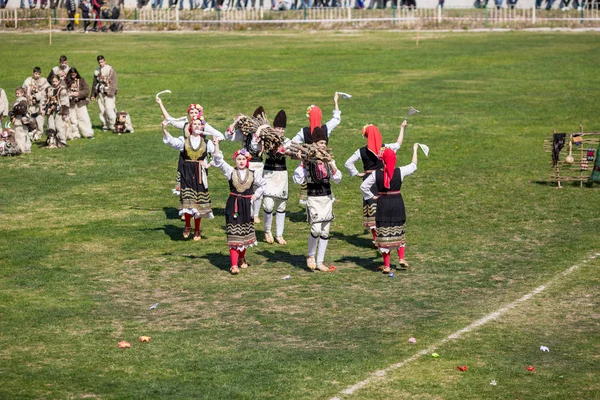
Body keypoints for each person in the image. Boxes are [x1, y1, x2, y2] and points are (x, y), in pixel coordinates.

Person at [360, 144, 419, 274]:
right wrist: (414, 150)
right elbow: (414, 165)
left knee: (383, 232)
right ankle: (402, 258)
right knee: (398, 229)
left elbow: (363, 187)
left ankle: (387, 266)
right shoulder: (400, 171)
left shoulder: (376, 174)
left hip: (383, 204)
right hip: (397, 202)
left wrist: (371, 197)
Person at [344, 121, 406, 244]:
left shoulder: (361, 151)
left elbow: (348, 163)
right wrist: (402, 128)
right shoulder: (385, 147)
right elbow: (398, 144)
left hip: (368, 178)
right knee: (383, 206)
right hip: (381, 177)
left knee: (371, 208)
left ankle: (375, 238)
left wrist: (357, 173)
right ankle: (388, 236)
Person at [212, 139, 266, 275]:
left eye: (243, 159)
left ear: (247, 160)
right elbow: (219, 161)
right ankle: (234, 264)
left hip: (247, 206)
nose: (241, 161)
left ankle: (242, 258)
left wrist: (255, 195)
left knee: (244, 234)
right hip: (233, 205)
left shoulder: (253, 173)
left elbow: (263, 184)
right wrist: (216, 145)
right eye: (238, 159)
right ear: (235, 161)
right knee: (234, 235)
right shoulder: (230, 171)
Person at [292, 127, 342, 272]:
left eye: (324, 143)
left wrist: (332, 164)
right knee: (316, 229)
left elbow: (338, 179)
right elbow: (297, 179)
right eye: (320, 142)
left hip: (327, 198)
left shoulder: (328, 160)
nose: (323, 145)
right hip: (313, 198)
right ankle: (310, 255)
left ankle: (320, 262)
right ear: (314, 144)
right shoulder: (308, 162)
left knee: (325, 232)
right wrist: (302, 162)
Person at [162, 117, 216, 240]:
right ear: (190, 127)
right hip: (186, 172)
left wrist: (208, 164)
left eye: (199, 124)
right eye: (194, 124)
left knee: (198, 202)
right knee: (188, 200)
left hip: (199, 174)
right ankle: (187, 225)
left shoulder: (207, 143)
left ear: (202, 127)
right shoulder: (184, 141)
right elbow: (171, 141)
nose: (197, 126)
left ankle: (197, 229)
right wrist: (164, 129)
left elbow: (216, 156)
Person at [290, 93, 341, 205]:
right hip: (323, 160)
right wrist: (335, 102)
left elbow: (293, 142)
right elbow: (336, 119)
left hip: (309, 161)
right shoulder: (326, 128)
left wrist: (299, 150)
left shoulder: (304, 131)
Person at [225, 106, 267, 223]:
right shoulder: (244, 133)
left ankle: (256, 214)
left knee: (258, 188)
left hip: (258, 164)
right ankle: (247, 211)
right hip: (245, 164)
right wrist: (235, 122)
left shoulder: (265, 135)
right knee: (245, 189)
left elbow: (257, 148)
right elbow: (228, 136)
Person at [262, 110, 289, 244]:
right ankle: (267, 231)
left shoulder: (287, 141)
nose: (281, 131)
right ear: (273, 128)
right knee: (268, 205)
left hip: (282, 176)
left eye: (282, 128)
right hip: (268, 174)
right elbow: (257, 149)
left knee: (281, 206)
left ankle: (279, 234)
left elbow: (292, 152)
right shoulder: (266, 141)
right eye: (278, 128)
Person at [66, 67, 94, 139]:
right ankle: (75, 134)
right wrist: (70, 94)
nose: (73, 76)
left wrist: (78, 93)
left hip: (80, 102)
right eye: (71, 75)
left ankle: (88, 133)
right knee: (73, 120)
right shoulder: (65, 82)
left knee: (84, 118)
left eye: (74, 74)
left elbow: (86, 91)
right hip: (71, 103)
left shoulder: (81, 80)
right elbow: (62, 91)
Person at [91, 55, 118, 132]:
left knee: (109, 109)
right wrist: (93, 95)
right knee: (102, 110)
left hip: (109, 93)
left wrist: (111, 91)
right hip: (100, 93)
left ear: (105, 61)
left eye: (102, 62)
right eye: (99, 62)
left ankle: (114, 124)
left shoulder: (110, 69)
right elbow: (94, 83)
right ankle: (105, 124)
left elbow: (114, 82)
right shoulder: (97, 71)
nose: (101, 63)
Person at [23, 67, 49, 141]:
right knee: (30, 119)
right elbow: (23, 90)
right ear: (33, 73)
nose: (37, 75)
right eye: (35, 73)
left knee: (40, 120)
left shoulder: (43, 81)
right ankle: (31, 132)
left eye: (38, 74)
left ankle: (39, 135)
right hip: (30, 104)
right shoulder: (28, 80)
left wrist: (37, 93)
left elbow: (46, 92)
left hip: (40, 104)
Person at [44, 74, 70, 146]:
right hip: (50, 110)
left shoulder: (62, 90)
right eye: (53, 81)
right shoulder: (48, 89)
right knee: (50, 125)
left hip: (59, 110)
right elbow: (44, 100)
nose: (54, 83)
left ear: (59, 81)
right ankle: (51, 140)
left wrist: (64, 112)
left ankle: (62, 140)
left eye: (56, 81)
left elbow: (65, 102)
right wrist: (43, 109)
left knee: (59, 125)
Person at [10, 87, 33, 154]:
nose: (16, 95)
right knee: (25, 135)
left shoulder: (22, 100)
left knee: (19, 136)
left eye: (18, 93)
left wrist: (14, 111)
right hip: (23, 121)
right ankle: (27, 149)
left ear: (22, 93)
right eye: (16, 93)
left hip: (20, 121)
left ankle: (21, 149)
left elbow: (22, 110)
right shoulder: (22, 100)